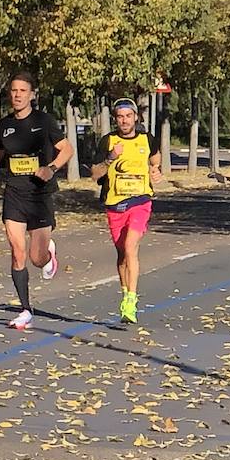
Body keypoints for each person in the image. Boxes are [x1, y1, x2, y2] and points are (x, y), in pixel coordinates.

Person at [0, 71, 71, 330]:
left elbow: (66, 149)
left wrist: (51, 169)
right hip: (14, 193)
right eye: (13, 90)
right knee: (17, 252)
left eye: (22, 90)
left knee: (36, 257)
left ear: (32, 94)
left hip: (39, 194)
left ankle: (48, 256)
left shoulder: (43, 121)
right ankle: (25, 309)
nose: (17, 95)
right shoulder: (3, 125)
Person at [90, 98, 161, 323]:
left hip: (140, 201)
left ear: (135, 117)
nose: (124, 121)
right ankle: (125, 293)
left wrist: (155, 171)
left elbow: (155, 158)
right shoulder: (108, 141)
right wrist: (111, 157)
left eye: (128, 116)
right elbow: (95, 174)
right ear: (115, 119)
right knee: (122, 255)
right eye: (120, 117)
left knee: (131, 246)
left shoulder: (146, 139)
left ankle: (132, 299)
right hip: (115, 204)